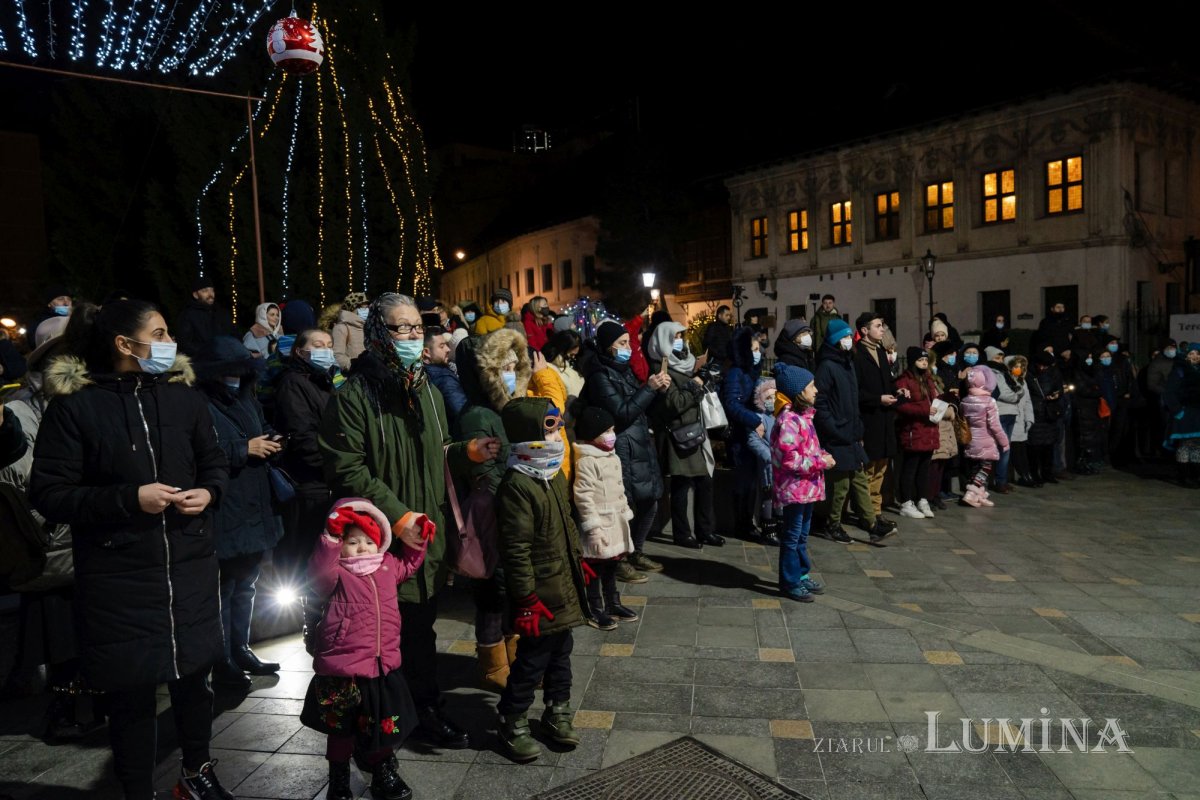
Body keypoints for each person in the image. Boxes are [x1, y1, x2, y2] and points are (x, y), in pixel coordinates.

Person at [29, 300, 233, 800]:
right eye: (159, 334)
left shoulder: (184, 399)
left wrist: (209, 493)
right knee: (133, 697)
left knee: (195, 682)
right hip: (119, 577)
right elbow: (49, 494)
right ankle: (137, 788)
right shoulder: (75, 406)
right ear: (124, 344)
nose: (169, 344)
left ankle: (197, 772)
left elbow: (214, 463)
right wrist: (128, 498)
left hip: (188, 568)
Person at [318, 292, 500, 751]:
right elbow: (347, 468)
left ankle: (424, 710)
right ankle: (380, 722)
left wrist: (465, 454)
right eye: (401, 328)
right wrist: (396, 518)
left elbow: (433, 457)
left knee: (421, 631)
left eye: (418, 326)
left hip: (426, 539)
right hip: (379, 545)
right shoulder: (355, 397)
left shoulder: (431, 392)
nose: (413, 335)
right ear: (378, 333)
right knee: (378, 637)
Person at [302, 498, 426, 800]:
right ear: (340, 543)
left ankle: (382, 769)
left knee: (381, 724)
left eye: (369, 541)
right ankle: (339, 778)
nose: (362, 548)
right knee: (340, 729)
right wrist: (329, 537)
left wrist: (418, 540)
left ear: (380, 541)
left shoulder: (386, 566)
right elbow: (318, 573)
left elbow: (409, 564)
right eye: (352, 541)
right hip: (343, 669)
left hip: (380, 665)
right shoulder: (336, 573)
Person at [494, 397, 589, 762]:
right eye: (551, 425)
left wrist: (578, 564)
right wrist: (525, 598)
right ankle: (512, 717)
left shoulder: (552, 472)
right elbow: (515, 550)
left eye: (559, 422)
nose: (559, 430)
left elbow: (565, 526)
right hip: (537, 592)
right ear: (530, 433)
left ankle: (557, 710)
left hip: (561, 583)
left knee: (561, 653)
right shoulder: (518, 484)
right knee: (532, 660)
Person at [194, 337, 284, 691]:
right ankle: (223, 660)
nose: (236, 377)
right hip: (226, 506)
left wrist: (273, 441)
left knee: (247, 584)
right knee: (225, 589)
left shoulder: (247, 395)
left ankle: (241, 648)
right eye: (229, 371)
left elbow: (260, 426)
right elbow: (198, 448)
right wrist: (242, 448)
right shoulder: (198, 401)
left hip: (255, 503)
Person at [580, 319, 670, 580]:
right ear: (608, 347)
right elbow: (621, 412)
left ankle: (636, 551)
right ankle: (619, 560)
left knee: (649, 502)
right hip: (620, 447)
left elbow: (642, 407)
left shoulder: (624, 369)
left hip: (639, 443)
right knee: (625, 506)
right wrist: (649, 388)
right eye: (621, 343)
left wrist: (658, 392)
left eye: (628, 342)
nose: (628, 347)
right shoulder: (600, 375)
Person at [272, 328, 338, 644]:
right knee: (312, 559)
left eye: (329, 345)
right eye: (317, 345)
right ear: (300, 351)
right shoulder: (293, 384)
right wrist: (338, 462)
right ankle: (314, 625)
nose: (325, 350)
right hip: (310, 486)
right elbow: (303, 438)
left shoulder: (328, 381)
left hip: (328, 484)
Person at [646, 321, 724, 550]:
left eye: (682, 335)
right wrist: (697, 383)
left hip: (696, 431)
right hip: (679, 434)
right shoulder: (662, 368)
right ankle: (683, 533)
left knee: (705, 481)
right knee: (681, 484)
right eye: (676, 336)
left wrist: (703, 376)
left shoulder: (686, 362)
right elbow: (674, 403)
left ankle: (706, 530)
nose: (681, 340)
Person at [813, 319, 890, 545]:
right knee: (841, 484)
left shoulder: (847, 363)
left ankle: (872, 524)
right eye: (844, 337)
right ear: (836, 340)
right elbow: (821, 403)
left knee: (858, 479)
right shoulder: (827, 366)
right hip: (837, 433)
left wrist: (857, 428)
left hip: (851, 432)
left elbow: (853, 399)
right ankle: (832, 524)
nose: (849, 340)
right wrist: (834, 427)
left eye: (849, 336)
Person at [771, 364, 833, 603]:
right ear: (798, 391)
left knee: (802, 535)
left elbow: (809, 448)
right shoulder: (788, 420)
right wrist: (820, 462)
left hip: (807, 489)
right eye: (811, 386)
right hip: (795, 489)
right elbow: (789, 459)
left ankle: (801, 573)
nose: (815, 390)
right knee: (792, 535)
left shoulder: (804, 417)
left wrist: (822, 455)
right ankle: (789, 581)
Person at [572, 406, 639, 630]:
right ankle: (595, 608)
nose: (612, 434)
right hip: (600, 526)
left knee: (612, 566)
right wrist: (593, 528)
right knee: (595, 570)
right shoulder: (587, 461)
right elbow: (584, 497)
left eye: (612, 429)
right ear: (593, 434)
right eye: (607, 430)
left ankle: (613, 602)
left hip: (616, 523)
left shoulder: (611, 456)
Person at [721, 326, 777, 544]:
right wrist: (756, 420)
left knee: (752, 482)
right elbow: (732, 404)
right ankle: (742, 524)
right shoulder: (736, 373)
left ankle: (748, 523)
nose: (759, 352)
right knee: (744, 483)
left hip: (750, 435)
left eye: (758, 348)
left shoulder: (750, 372)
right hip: (740, 436)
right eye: (753, 348)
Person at [853, 313, 900, 532]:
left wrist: (897, 388)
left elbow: (887, 380)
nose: (882, 330)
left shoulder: (880, 351)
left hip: (884, 419)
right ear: (864, 330)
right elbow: (856, 391)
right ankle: (866, 514)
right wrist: (877, 399)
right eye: (878, 326)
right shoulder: (857, 354)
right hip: (869, 419)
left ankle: (876, 511)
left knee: (881, 468)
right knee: (869, 469)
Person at [894, 347, 940, 519]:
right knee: (909, 468)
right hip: (913, 431)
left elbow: (933, 401)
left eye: (926, 361)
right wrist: (925, 410)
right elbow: (901, 405)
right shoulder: (904, 381)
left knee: (924, 469)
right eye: (920, 360)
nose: (924, 363)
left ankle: (922, 499)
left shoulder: (928, 380)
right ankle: (906, 502)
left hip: (929, 431)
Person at [959, 366, 1009, 508]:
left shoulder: (965, 400)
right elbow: (994, 425)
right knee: (986, 467)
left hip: (971, 440)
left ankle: (979, 495)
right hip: (986, 439)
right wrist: (1004, 442)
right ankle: (971, 492)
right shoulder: (989, 401)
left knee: (976, 467)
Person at [985, 346, 1023, 493]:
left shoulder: (1004, 372)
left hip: (1011, 413)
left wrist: (1016, 394)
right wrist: (1016, 396)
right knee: (1000, 448)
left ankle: (1002, 480)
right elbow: (1002, 393)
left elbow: (1019, 387)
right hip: (1000, 413)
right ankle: (998, 481)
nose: (1000, 360)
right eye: (996, 358)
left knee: (1005, 449)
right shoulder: (991, 372)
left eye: (1001, 358)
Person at [746, 376, 779, 542]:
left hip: (778, 466)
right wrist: (769, 456)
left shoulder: (774, 417)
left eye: (774, 397)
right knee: (768, 497)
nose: (772, 401)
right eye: (768, 398)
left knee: (777, 497)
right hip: (768, 467)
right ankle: (768, 527)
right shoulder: (758, 419)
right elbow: (753, 440)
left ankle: (778, 524)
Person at [422, 326, 470, 435]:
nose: (448, 349)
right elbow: (462, 412)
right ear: (426, 352)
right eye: (441, 346)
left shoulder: (423, 373)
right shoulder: (444, 379)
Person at [1164, 344, 1200, 486]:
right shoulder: (1179, 371)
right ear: (1186, 355)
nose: (1195, 357)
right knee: (1185, 444)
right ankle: (1184, 476)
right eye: (1192, 354)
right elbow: (1169, 392)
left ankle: (1196, 474)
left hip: (1198, 412)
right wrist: (1178, 411)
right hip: (1185, 412)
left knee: (1198, 444)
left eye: (1198, 354)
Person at [1026, 352, 1063, 485]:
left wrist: (1056, 395)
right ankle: (1035, 474)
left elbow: (1059, 389)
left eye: (1045, 366)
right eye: (1040, 365)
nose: (1042, 368)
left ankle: (1047, 473)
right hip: (1036, 413)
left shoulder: (1054, 373)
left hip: (1049, 413)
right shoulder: (1029, 374)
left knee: (1049, 445)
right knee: (1035, 447)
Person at [174, 275, 234, 357]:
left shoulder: (222, 313)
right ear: (195, 295)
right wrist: (208, 352)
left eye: (212, 290)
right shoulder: (187, 315)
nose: (210, 294)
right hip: (202, 362)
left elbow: (233, 334)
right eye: (205, 291)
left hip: (227, 359)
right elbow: (184, 343)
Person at [1005, 355, 1038, 487]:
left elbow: (1028, 402)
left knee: (1021, 450)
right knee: (1013, 450)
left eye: (1021, 367)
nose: (1019, 369)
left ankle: (1025, 475)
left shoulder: (1023, 382)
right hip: (1010, 419)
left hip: (1021, 420)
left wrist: (1029, 419)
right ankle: (1022, 475)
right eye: (1016, 366)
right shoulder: (1006, 381)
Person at [331, 291, 370, 370]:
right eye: (363, 307)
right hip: (353, 376)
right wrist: (355, 368)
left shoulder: (368, 327)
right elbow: (337, 355)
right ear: (353, 308)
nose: (367, 309)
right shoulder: (341, 328)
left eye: (367, 307)